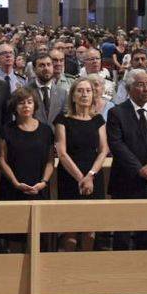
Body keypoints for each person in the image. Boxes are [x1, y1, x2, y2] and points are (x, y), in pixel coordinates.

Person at [106, 69, 147, 251]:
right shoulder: (116, 113)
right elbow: (117, 145)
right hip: (126, 180)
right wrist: (139, 169)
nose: (146, 89)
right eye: (141, 84)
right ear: (129, 88)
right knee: (123, 232)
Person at [53, 78, 109, 250]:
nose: (84, 94)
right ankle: (69, 269)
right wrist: (81, 179)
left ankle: (85, 268)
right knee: (70, 227)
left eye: (88, 91)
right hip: (71, 175)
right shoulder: (63, 119)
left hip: (93, 175)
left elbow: (103, 150)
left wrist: (90, 176)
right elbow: (62, 153)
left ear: (93, 96)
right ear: (73, 96)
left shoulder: (98, 119)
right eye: (80, 91)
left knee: (90, 227)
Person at [0, 87, 54, 202]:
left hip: (39, 188)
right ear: (15, 107)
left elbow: (50, 160)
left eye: (29, 102)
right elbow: (2, 160)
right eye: (21, 103)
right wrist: (16, 183)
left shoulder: (46, 130)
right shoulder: (6, 130)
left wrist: (44, 182)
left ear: (35, 105)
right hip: (12, 188)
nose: (26, 106)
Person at [27, 53, 68, 130]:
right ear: (34, 69)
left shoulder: (63, 93)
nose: (46, 68)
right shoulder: (26, 91)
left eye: (49, 65)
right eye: (42, 65)